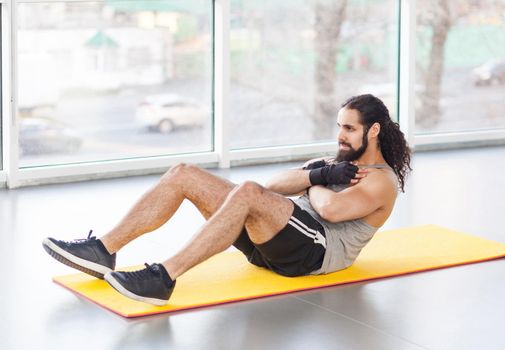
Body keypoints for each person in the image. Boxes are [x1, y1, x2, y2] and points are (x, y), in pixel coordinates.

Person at [42, 94, 412, 306]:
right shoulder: (334, 164)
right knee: (184, 172)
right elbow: (274, 185)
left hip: (313, 254)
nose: (340, 136)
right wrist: (319, 174)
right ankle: (103, 249)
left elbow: (331, 210)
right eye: (339, 127)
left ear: (374, 130)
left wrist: (313, 181)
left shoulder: (381, 181)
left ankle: (163, 277)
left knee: (248, 192)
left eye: (349, 129)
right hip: (275, 241)